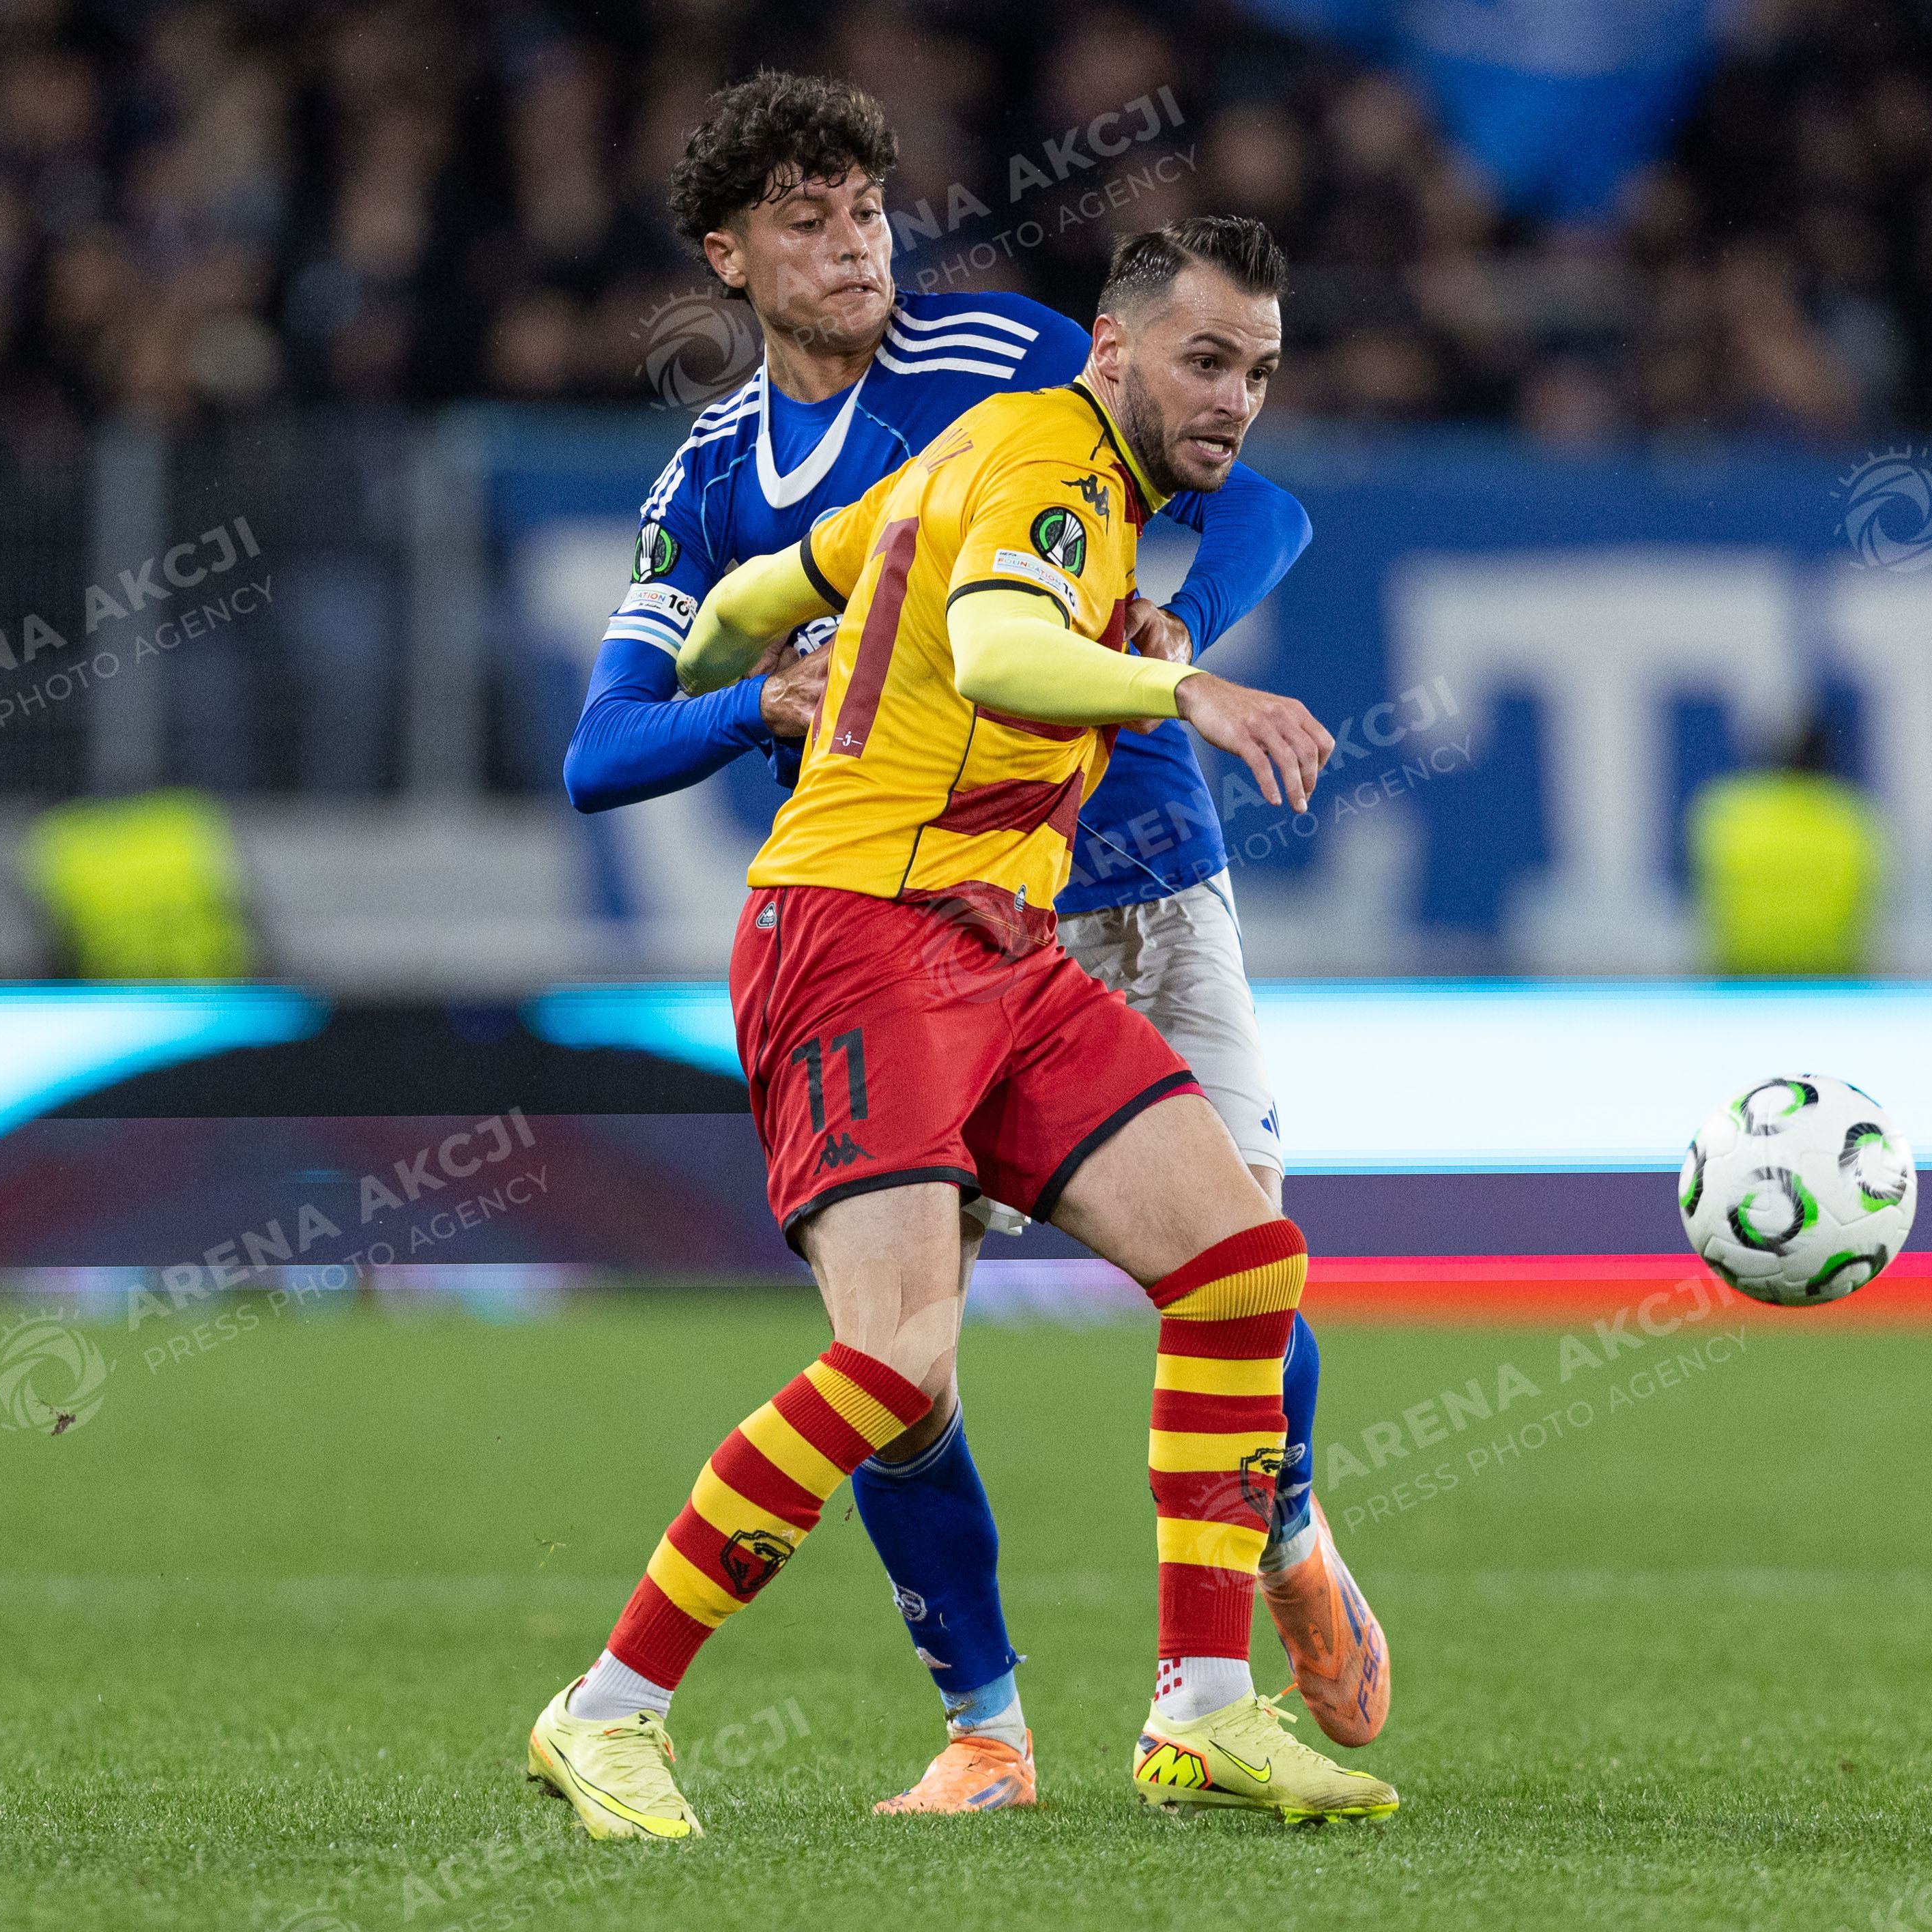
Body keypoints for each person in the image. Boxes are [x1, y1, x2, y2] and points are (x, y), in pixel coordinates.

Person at [553, 74, 1385, 1816]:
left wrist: (1173, 631)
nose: (852, 244)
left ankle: (1256, 1588)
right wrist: (754, 704)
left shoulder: (1004, 367)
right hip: (877, 921)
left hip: (1113, 886)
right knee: (901, 1371)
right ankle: (950, 1725)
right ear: (728, 256)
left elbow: (1250, 507)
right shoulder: (722, 475)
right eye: (803, 219)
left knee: (1240, 1261)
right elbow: (615, 736)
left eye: (866, 208)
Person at [1687, 716, 1886, 977]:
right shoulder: (1852, 818)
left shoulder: (1727, 813)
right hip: (1829, 981)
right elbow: (1872, 908)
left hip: (1742, 979)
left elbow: (1698, 893)